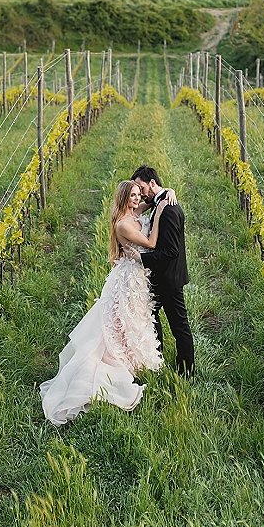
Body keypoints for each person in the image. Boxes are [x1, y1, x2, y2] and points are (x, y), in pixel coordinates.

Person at [40, 180, 171, 426]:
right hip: (128, 278)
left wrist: (166, 194)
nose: (136, 198)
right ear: (122, 198)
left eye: (136, 194)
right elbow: (151, 243)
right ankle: (119, 362)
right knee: (122, 319)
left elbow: (149, 202)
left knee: (133, 319)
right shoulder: (123, 223)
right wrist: (162, 212)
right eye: (131, 196)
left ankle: (132, 357)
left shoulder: (133, 213)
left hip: (137, 276)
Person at [126, 165, 194, 378]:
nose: (139, 192)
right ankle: (156, 359)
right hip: (158, 277)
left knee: (179, 326)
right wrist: (168, 190)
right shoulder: (159, 201)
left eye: (141, 187)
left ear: (152, 183)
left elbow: (171, 252)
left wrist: (141, 258)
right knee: (150, 318)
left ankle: (187, 372)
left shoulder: (170, 209)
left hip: (170, 278)